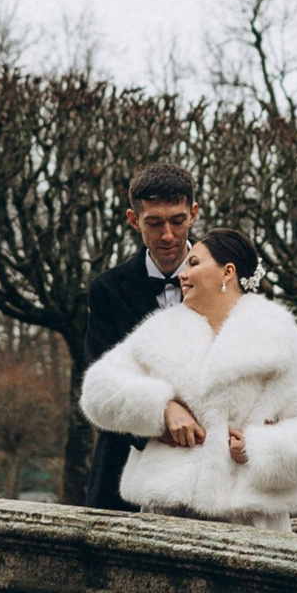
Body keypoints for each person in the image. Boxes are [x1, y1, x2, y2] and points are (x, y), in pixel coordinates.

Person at [78, 226, 297, 527]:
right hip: (167, 517)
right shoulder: (161, 331)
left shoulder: (282, 337)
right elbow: (97, 390)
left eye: (194, 263)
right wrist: (162, 408)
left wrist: (259, 448)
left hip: (252, 521)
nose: (183, 274)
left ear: (227, 272)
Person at [80, 161, 200, 509]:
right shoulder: (106, 289)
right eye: (154, 223)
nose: (167, 235)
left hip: (207, 468)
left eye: (177, 221)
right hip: (123, 467)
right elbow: (100, 379)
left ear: (193, 213)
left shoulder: (223, 278)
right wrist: (159, 410)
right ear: (134, 220)